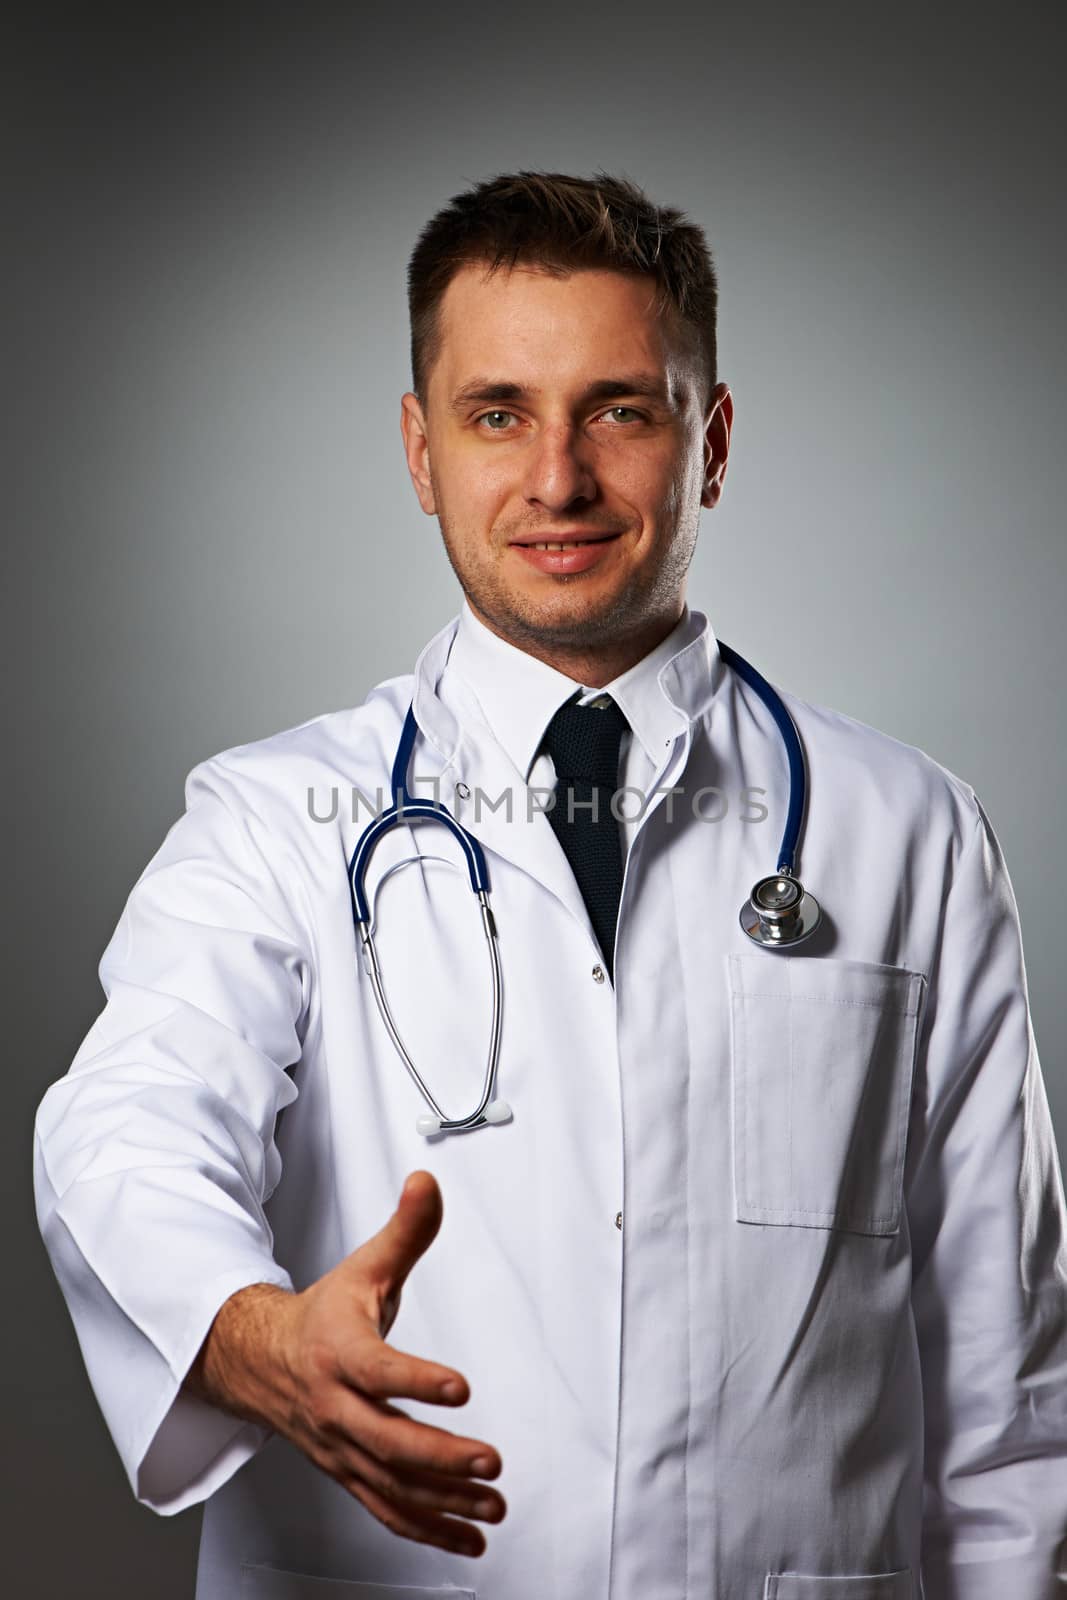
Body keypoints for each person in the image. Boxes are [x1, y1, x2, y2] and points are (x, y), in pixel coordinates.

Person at [34, 170, 1067, 1600]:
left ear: (709, 442)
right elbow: (125, 1131)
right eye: (497, 412)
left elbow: (1006, 1386)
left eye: (620, 410)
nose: (558, 479)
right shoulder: (270, 821)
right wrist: (254, 1334)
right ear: (418, 450)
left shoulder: (914, 834)